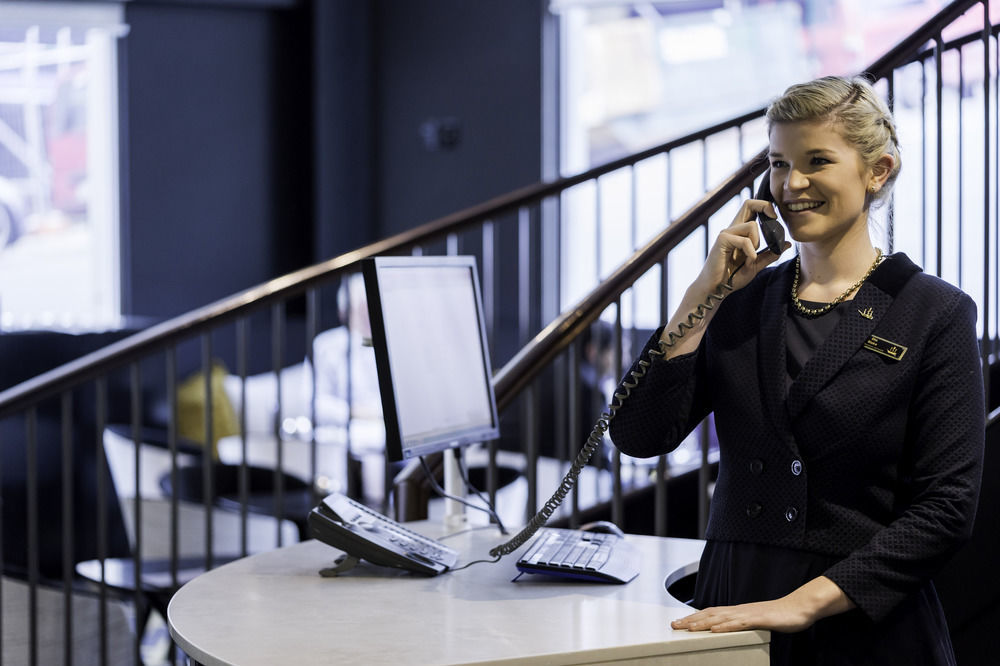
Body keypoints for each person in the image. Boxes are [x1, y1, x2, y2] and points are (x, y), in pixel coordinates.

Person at [608, 75, 984, 665]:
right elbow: (639, 433)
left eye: (817, 161)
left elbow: (946, 509)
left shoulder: (934, 313)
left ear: (877, 171)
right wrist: (703, 293)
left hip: (859, 623)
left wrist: (807, 602)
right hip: (733, 610)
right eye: (779, 164)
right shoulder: (740, 302)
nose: (792, 184)